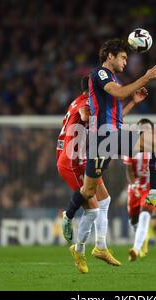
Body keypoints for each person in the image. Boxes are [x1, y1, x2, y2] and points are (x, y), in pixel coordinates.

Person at [61, 39, 156, 272]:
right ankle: (68, 216)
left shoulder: (114, 79)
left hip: (111, 137)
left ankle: (152, 193)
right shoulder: (99, 73)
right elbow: (116, 93)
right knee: (89, 192)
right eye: (123, 57)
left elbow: (116, 114)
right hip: (102, 139)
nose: (125, 61)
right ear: (109, 55)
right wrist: (146, 77)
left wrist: (133, 101)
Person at [56, 77, 121, 273]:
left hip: (80, 159)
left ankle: (101, 247)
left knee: (105, 200)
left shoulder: (76, 100)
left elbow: (108, 122)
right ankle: (78, 250)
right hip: (72, 163)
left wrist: (132, 102)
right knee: (92, 210)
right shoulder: (86, 103)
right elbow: (85, 116)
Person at [123, 118, 155, 261]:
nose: (145, 131)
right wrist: (134, 185)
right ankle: (143, 240)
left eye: (148, 129)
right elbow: (128, 170)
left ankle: (135, 249)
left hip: (150, 187)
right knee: (133, 220)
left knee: (145, 215)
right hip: (135, 187)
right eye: (142, 128)